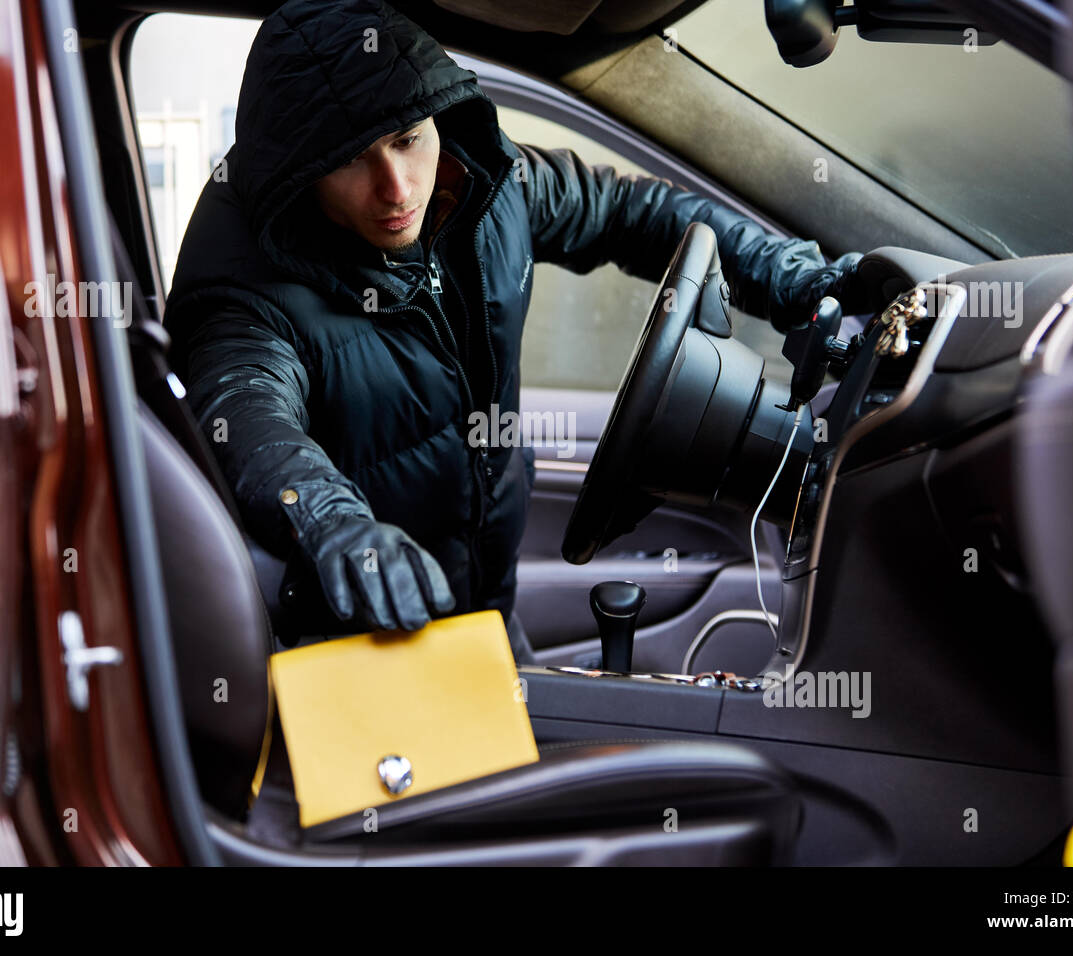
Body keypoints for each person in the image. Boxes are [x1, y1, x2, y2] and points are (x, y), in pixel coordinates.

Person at [164, 0, 867, 663]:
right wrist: (328, 521)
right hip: (360, 639)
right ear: (298, 175)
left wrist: (790, 276)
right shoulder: (244, 286)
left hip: (488, 611)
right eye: (351, 160)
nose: (397, 188)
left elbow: (633, 211)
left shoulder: (484, 185)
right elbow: (245, 411)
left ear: (437, 121)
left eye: (408, 140)